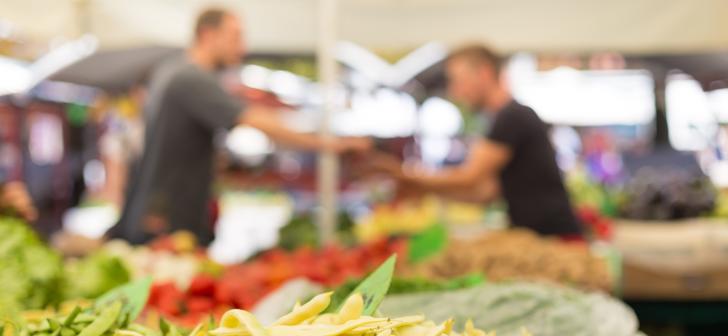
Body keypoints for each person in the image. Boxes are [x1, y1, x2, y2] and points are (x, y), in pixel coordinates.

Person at [111, 8, 368, 244]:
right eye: (235, 37)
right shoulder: (191, 78)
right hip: (169, 216)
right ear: (207, 35)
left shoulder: (171, 70)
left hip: (156, 208)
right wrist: (330, 144)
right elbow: (255, 119)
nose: (242, 48)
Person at [375, 45, 581, 237]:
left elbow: (470, 177)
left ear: (484, 73)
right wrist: (426, 188)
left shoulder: (511, 117)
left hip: (552, 237)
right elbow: (485, 193)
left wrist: (405, 175)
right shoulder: (507, 117)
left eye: (458, 80)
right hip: (543, 234)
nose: (455, 91)